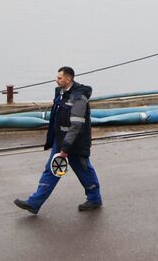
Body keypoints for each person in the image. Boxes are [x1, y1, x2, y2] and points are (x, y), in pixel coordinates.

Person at [14, 66, 102, 214]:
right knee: (52, 170)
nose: (56, 80)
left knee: (84, 170)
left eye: (59, 78)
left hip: (75, 143)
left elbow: (76, 126)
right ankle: (34, 203)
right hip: (61, 141)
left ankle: (94, 199)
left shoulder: (79, 98)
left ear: (68, 79)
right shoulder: (61, 93)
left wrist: (65, 148)